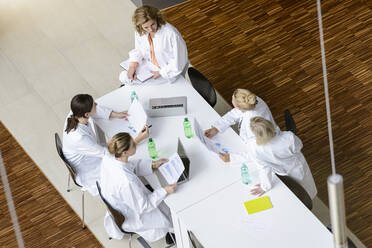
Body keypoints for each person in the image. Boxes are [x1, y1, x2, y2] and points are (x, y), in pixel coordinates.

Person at [62, 94, 149, 196]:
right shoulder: (80, 138)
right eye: (94, 104)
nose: (96, 104)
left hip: (90, 155)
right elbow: (107, 153)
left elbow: (95, 111)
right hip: (89, 168)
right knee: (124, 164)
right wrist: (136, 140)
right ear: (86, 114)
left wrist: (115, 114)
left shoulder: (75, 112)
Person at [100, 132, 177, 244]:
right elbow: (144, 207)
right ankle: (177, 235)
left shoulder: (109, 159)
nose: (136, 144)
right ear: (125, 152)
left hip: (123, 202)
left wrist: (153, 165)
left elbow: (130, 166)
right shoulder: (127, 182)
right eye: (133, 145)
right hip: (134, 215)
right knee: (173, 210)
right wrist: (165, 191)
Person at [220, 117, 317, 199]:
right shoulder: (288, 137)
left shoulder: (254, 147)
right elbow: (299, 146)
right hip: (296, 167)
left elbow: (264, 169)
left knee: (294, 193)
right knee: (305, 189)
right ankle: (309, 199)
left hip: (280, 172)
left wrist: (264, 187)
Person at [119, 5, 188, 84]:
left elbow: (179, 62)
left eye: (153, 24)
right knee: (123, 76)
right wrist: (133, 66)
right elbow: (139, 50)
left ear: (157, 19)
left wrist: (161, 73)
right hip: (149, 66)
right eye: (146, 27)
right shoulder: (140, 31)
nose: (150, 29)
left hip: (167, 72)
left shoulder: (171, 34)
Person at [205, 88, 280, 143]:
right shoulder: (252, 101)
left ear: (237, 107)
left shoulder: (252, 123)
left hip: (265, 143)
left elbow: (251, 143)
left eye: (232, 99)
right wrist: (217, 128)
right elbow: (233, 115)